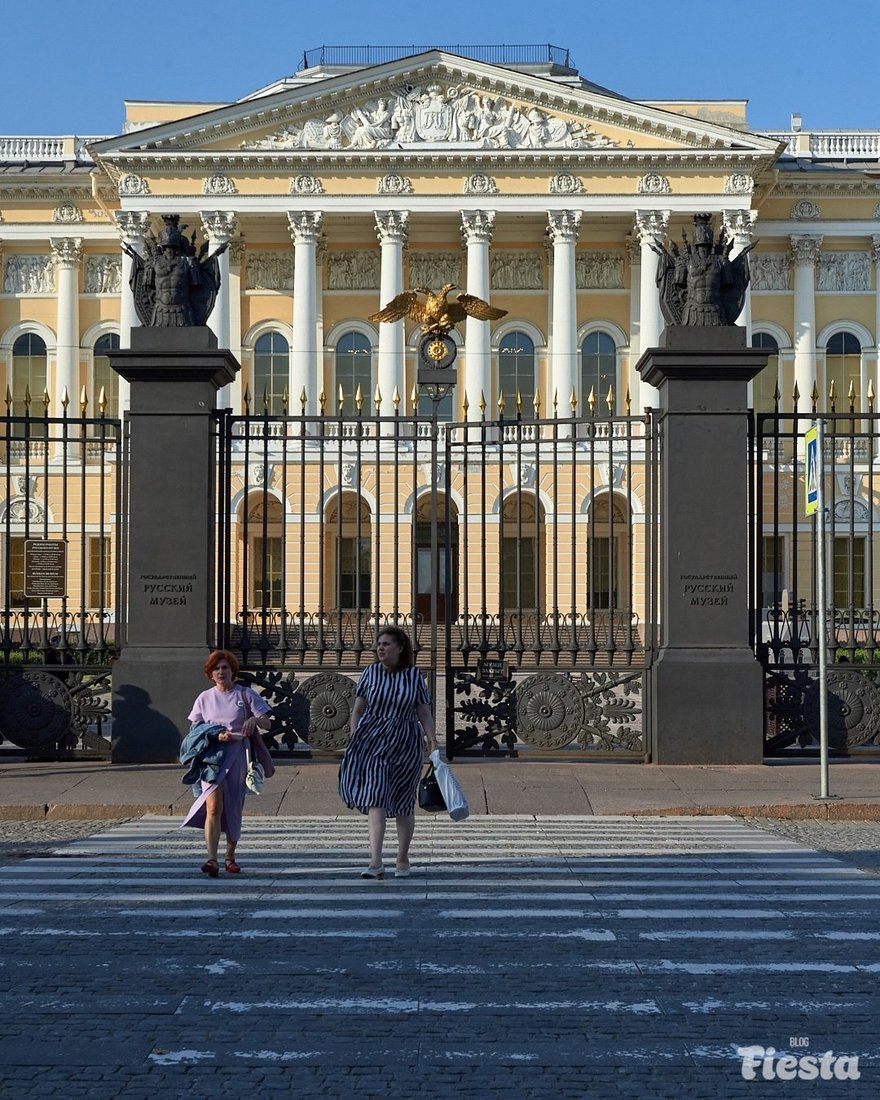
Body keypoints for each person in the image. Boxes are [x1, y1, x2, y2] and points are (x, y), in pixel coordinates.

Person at [338, 627, 438, 879]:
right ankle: (375, 861)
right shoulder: (370, 672)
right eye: (378, 644)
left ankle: (402, 858)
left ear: (400, 648)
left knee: (404, 802)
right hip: (372, 739)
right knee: (376, 797)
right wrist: (354, 734)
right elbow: (358, 710)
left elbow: (424, 712)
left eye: (386, 644)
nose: (380, 648)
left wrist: (432, 739)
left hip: (405, 741)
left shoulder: (415, 676)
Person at [180, 649, 272, 877]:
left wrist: (254, 719)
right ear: (210, 674)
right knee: (213, 807)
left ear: (233, 671)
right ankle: (212, 860)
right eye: (216, 669)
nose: (221, 672)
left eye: (225, 668)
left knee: (233, 807)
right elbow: (194, 730)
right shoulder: (204, 697)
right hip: (211, 758)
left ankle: (230, 856)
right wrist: (214, 734)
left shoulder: (245, 694)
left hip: (237, 754)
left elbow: (268, 723)